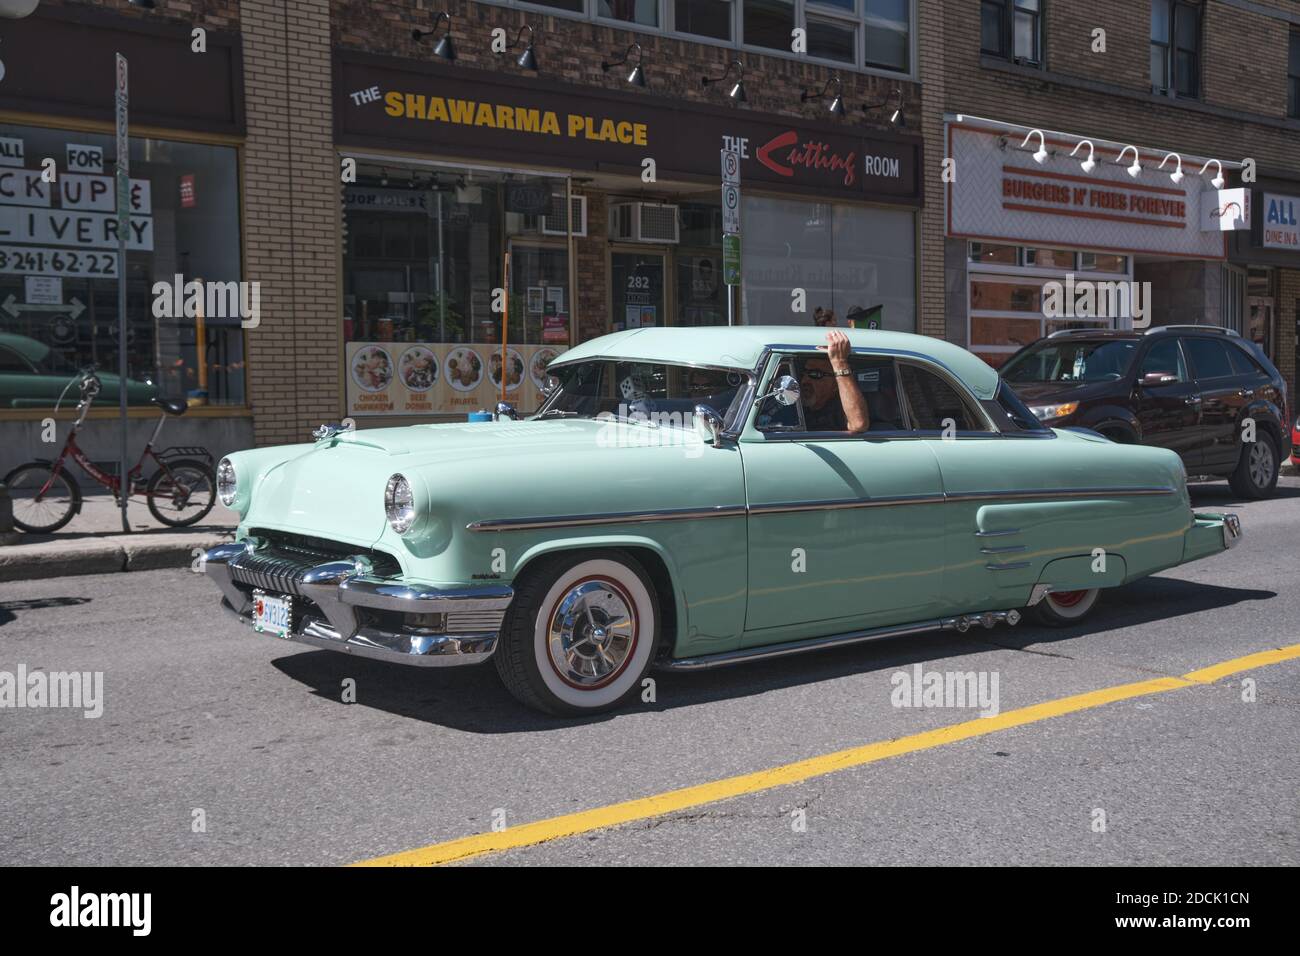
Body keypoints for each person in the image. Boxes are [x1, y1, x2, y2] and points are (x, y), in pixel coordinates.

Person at [800, 329, 869, 432]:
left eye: (815, 374)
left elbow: (858, 424)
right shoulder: (791, 402)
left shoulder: (840, 411)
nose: (804, 380)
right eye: (804, 373)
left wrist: (840, 363)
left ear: (836, 385)